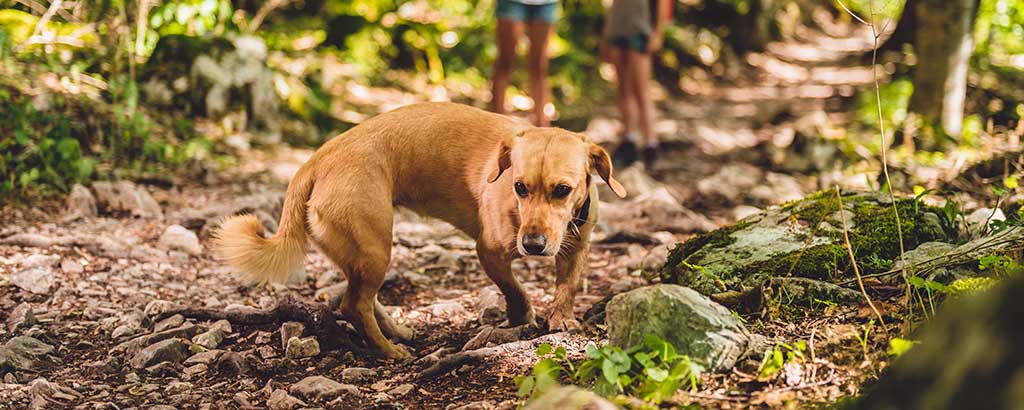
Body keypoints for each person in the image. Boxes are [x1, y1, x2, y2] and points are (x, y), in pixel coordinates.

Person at [603, 0, 672, 169]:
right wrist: (606, 34)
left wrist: (657, 33)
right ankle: (628, 140)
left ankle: (651, 144)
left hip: (640, 31)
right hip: (617, 29)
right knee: (623, 89)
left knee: (641, 91)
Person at [491, 0, 558, 126]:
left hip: (546, 3)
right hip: (511, 2)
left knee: (539, 66)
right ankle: (497, 123)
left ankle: (542, 126)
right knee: (505, 62)